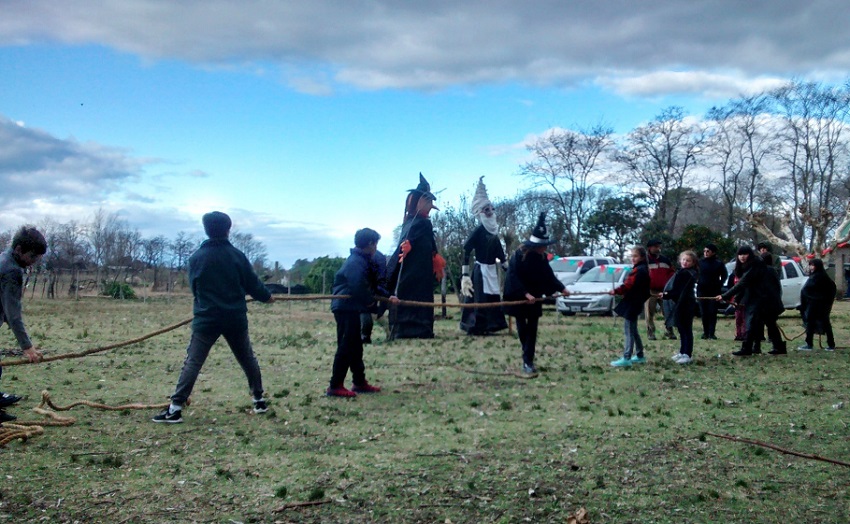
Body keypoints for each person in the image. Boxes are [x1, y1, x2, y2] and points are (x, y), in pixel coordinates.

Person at [153, 212, 275, 424]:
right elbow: (253, 284)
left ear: (206, 229)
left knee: (193, 362)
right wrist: (267, 297)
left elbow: (195, 289)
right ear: (228, 229)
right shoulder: (237, 256)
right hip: (235, 318)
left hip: (206, 319)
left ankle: (175, 409)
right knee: (247, 358)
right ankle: (259, 400)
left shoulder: (196, 258)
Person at [503, 213, 568, 375]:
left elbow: (548, 276)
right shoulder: (518, 256)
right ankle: (527, 356)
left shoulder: (542, 258)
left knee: (532, 329)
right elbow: (512, 276)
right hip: (519, 297)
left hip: (535, 297)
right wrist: (525, 294)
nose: (545, 249)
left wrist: (561, 288)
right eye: (543, 246)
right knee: (522, 327)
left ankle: (528, 360)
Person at [386, 173, 445, 339]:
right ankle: (406, 329)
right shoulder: (415, 222)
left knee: (421, 295)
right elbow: (406, 240)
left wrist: (434, 257)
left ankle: (420, 328)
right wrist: (408, 245)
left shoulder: (419, 222)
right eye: (429, 201)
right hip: (411, 270)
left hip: (422, 270)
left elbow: (428, 243)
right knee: (410, 294)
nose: (431, 205)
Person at [0, 227, 47, 422]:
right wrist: (27, 347)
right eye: (33, 256)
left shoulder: (5, 257)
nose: (34, 261)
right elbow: (13, 314)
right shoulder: (11, 271)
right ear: (19, 249)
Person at [459, 177, 509, 336]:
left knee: (493, 297)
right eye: (486, 210)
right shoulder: (479, 231)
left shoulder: (494, 232)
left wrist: (507, 267)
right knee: (479, 299)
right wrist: (465, 274)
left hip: (492, 270)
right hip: (480, 271)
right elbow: (466, 249)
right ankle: (477, 327)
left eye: (491, 209)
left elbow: (499, 252)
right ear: (481, 213)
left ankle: (492, 325)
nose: (490, 212)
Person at [717, 246, 786, 356]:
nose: (742, 257)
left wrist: (725, 296)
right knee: (763, 324)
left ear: (750, 255)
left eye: (745, 254)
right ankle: (775, 347)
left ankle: (748, 348)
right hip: (759, 298)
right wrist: (736, 299)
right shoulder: (749, 267)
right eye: (740, 254)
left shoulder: (755, 266)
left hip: (762, 299)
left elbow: (743, 283)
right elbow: (745, 285)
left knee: (754, 323)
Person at [609, 246, 651, 367]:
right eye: (631, 256)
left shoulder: (639, 271)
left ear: (642, 257)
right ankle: (639, 355)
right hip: (636, 303)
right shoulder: (643, 269)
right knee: (633, 330)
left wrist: (616, 291)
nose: (633, 259)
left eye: (635, 256)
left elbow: (628, 285)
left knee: (629, 331)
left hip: (632, 303)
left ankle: (626, 357)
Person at [663, 251, 699, 364]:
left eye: (688, 260)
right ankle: (682, 351)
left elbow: (678, 291)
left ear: (693, 262)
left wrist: (666, 295)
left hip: (686, 304)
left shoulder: (686, 274)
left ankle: (687, 354)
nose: (685, 262)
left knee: (686, 329)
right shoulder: (682, 272)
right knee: (681, 329)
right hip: (681, 303)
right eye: (683, 260)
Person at [797, 258, 836, 351]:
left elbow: (807, 290)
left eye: (813, 265)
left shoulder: (819, 277)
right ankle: (829, 344)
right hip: (816, 304)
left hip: (818, 305)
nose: (811, 267)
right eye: (810, 265)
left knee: (816, 323)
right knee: (820, 323)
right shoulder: (817, 276)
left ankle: (811, 344)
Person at [644, 239, 676, 340]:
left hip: (664, 290)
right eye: (656, 247)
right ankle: (651, 333)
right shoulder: (645, 261)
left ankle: (669, 331)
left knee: (667, 311)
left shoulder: (665, 260)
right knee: (649, 313)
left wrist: (670, 285)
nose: (658, 248)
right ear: (650, 248)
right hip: (650, 291)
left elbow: (671, 273)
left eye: (658, 246)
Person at [697, 243, 728, 340]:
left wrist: (719, 284)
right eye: (704, 251)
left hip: (714, 290)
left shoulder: (718, 263)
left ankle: (711, 333)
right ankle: (705, 332)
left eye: (708, 251)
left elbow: (724, 275)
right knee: (703, 312)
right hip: (702, 290)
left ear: (713, 252)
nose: (705, 253)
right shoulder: (700, 262)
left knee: (712, 312)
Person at [360, 249, 388, 344]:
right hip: (375, 289)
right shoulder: (378, 256)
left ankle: (365, 336)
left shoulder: (370, 257)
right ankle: (389, 332)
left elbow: (379, 277)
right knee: (375, 313)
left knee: (369, 312)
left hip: (371, 290)